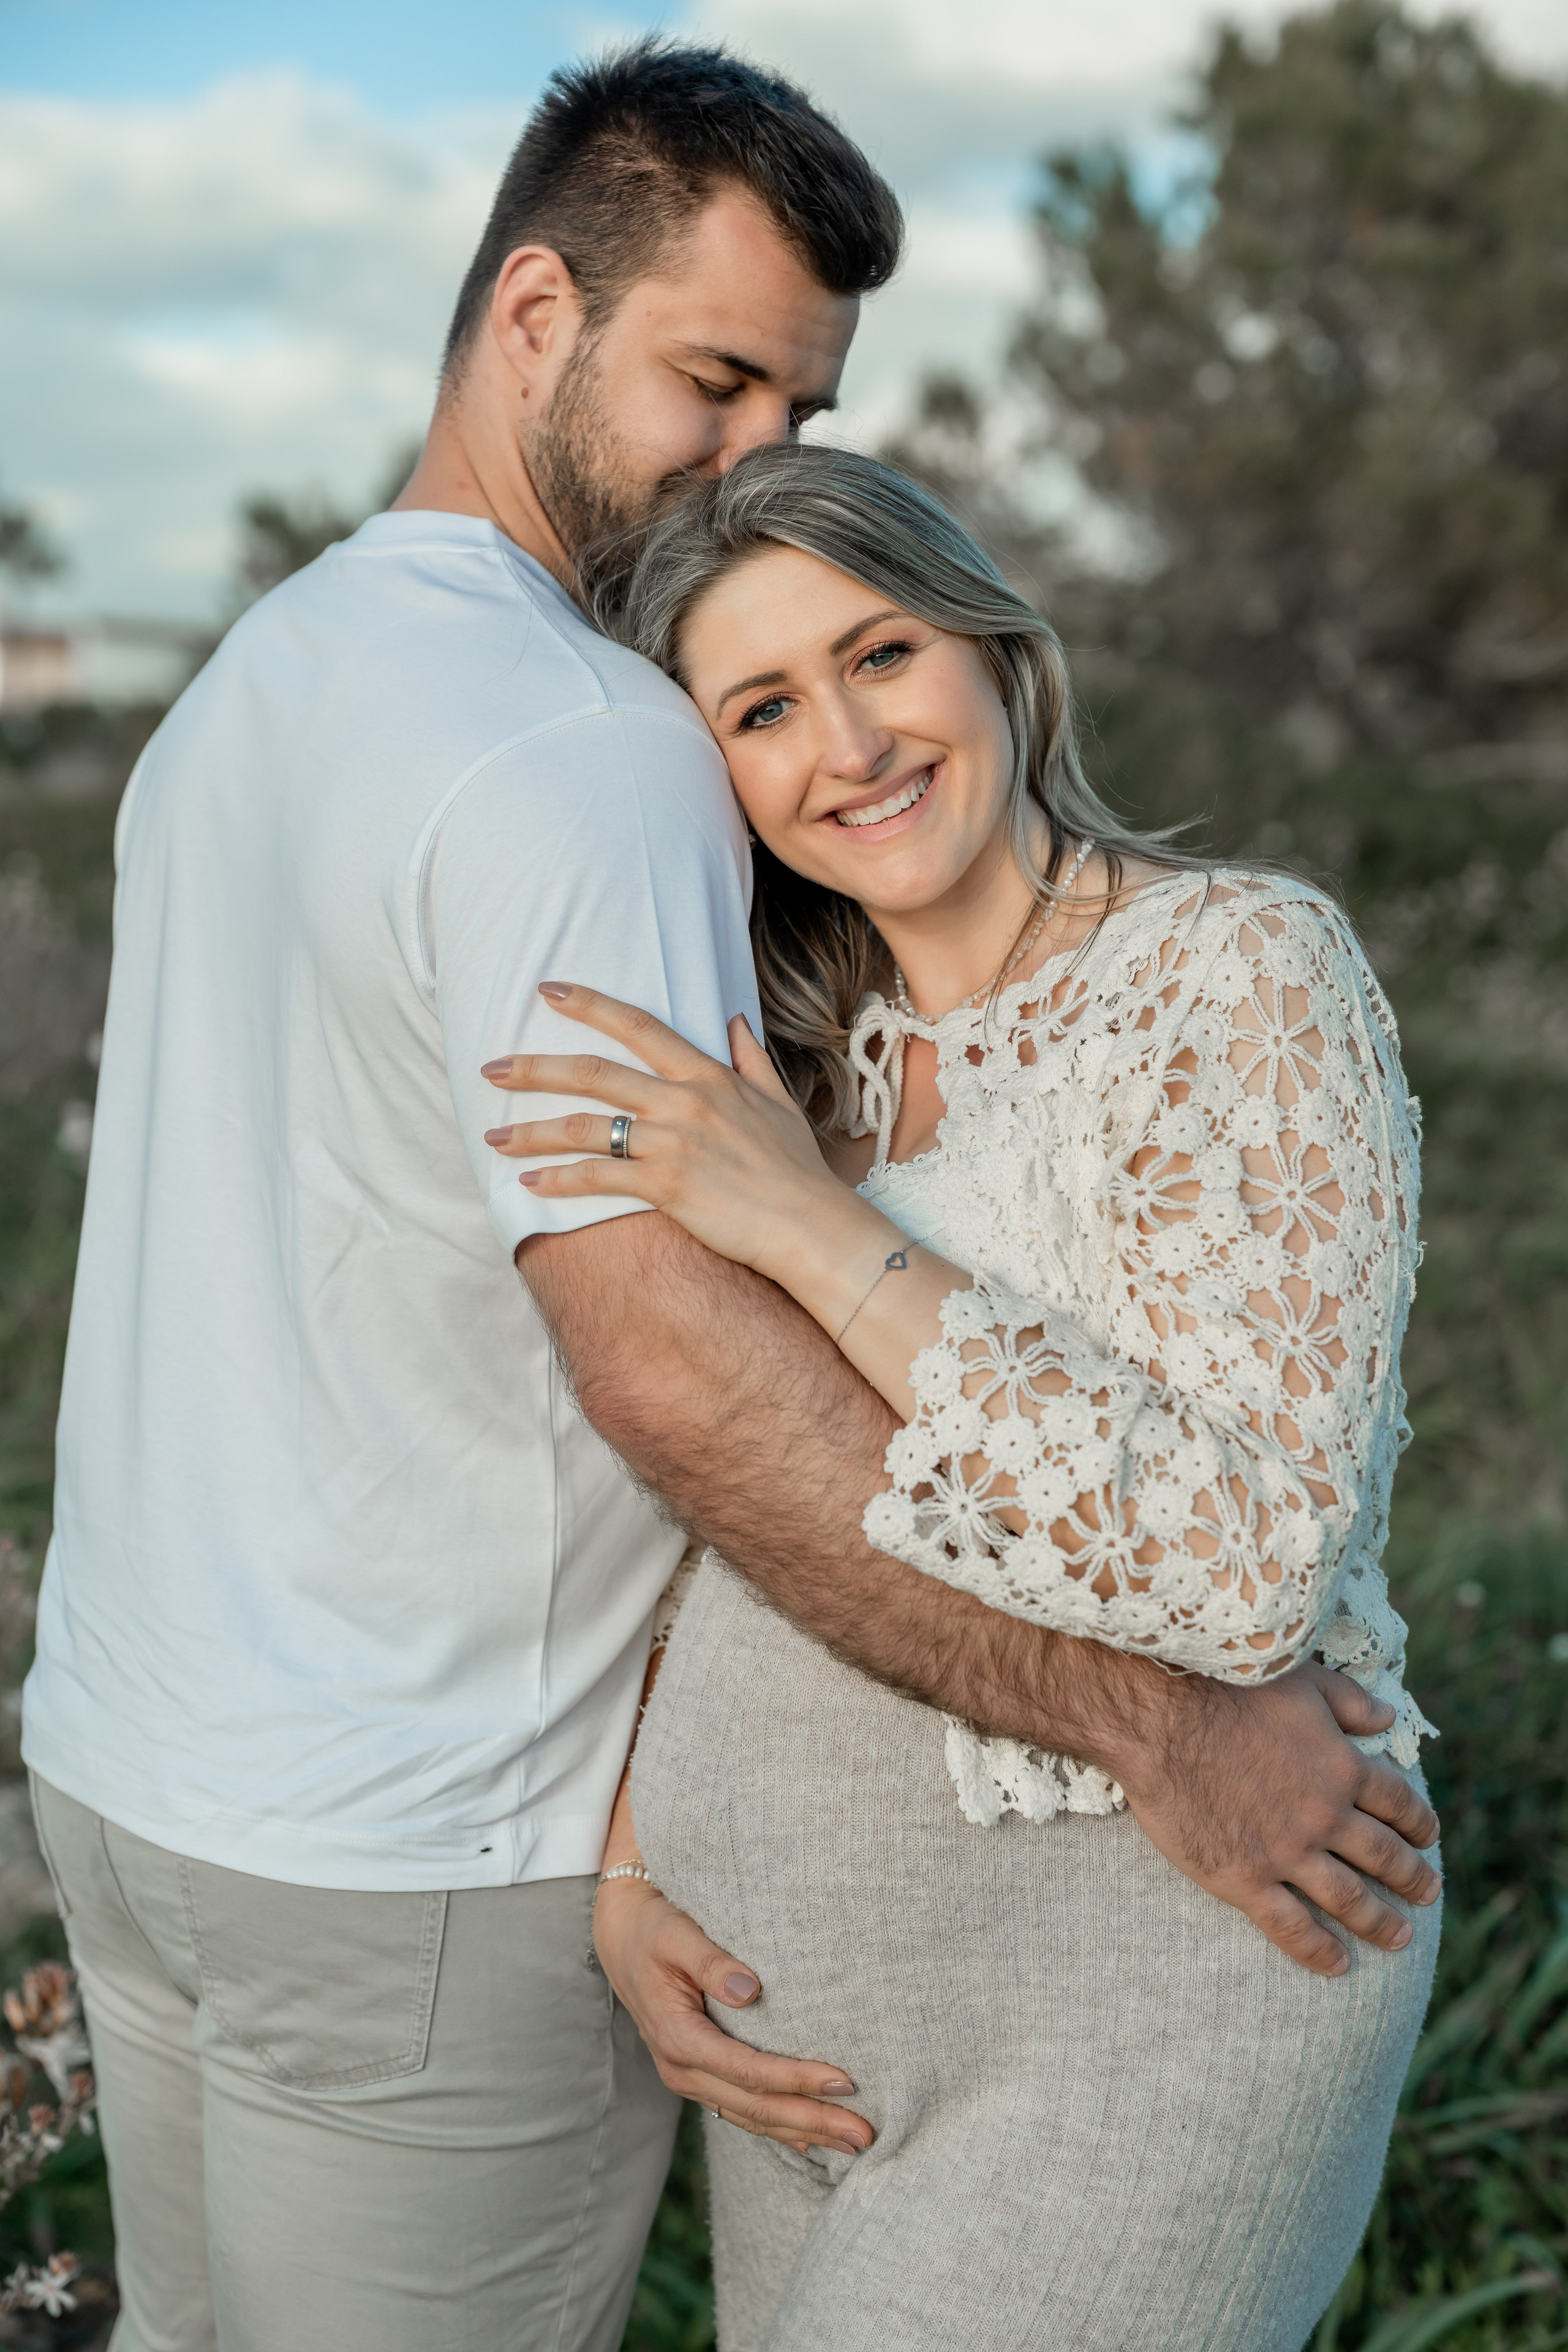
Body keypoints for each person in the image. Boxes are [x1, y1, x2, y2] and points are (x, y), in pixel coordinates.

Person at [21, 43, 902, 2352]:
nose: (758, 466)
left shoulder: (253, 678)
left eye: (802, 411)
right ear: (535, 312)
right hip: (417, 1847)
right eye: (716, 381)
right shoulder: (589, 745)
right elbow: (679, 1364)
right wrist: (1162, 1718)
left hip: (142, 1778)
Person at [481, 442, 1443, 2351]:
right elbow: (731, 1495)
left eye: (881, 654)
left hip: (1150, 1991)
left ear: (998, 652)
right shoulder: (793, 1064)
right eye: (762, 708)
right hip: (789, 2031)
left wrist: (812, 1230)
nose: (848, 744)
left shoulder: (1237, 972)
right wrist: (634, 1856)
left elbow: (1244, 1556)